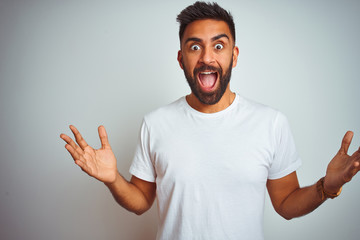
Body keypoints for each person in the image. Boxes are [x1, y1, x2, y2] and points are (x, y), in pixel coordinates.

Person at [60, 2, 360, 240]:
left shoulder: (270, 123)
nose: (206, 57)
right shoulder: (156, 123)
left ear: (234, 55)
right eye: (194, 47)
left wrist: (326, 187)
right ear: (181, 59)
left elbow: (286, 203)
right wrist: (113, 180)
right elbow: (141, 202)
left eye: (218, 45)